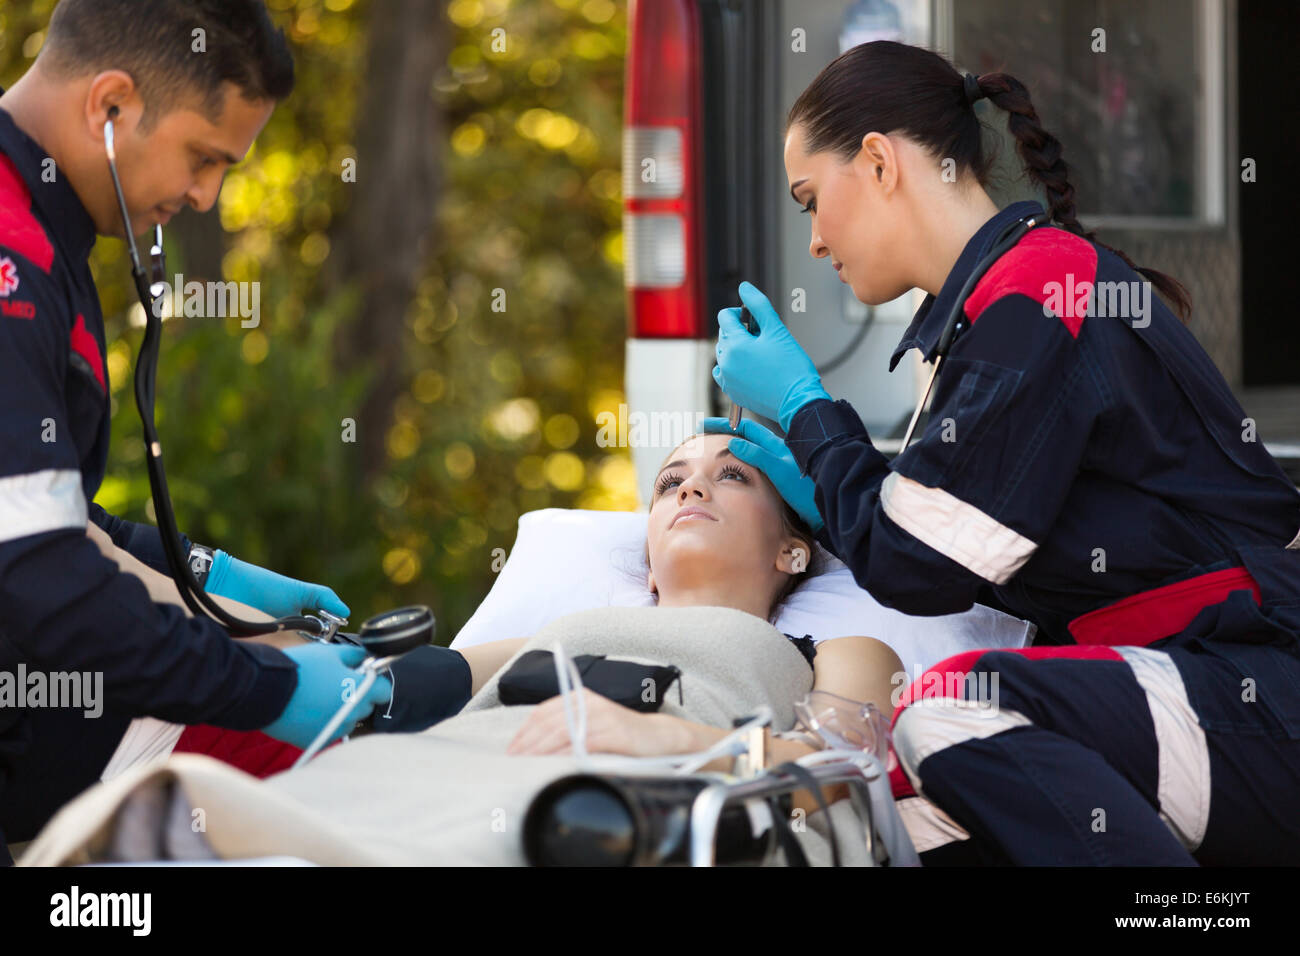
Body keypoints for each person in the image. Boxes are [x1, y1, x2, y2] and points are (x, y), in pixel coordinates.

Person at [708, 40, 1300, 865]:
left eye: (810, 199)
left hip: (1259, 686)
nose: (811, 240)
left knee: (951, 710)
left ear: (878, 161)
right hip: (1202, 694)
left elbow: (919, 562)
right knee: (913, 803)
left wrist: (810, 413)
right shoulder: (996, 310)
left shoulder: (1037, 293)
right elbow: (941, 531)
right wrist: (825, 494)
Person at [19, 433, 906, 865]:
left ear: (794, 551)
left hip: (612, 798)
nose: (689, 488)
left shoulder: (837, 647)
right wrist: (258, 628)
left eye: (730, 475)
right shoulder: (557, 634)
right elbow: (384, 687)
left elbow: (839, 769)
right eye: (671, 479)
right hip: (446, 769)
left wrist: (683, 745)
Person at [0, 0, 392, 860]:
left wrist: (203, 570)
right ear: (110, 107)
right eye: (203, 159)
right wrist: (267, 688)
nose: (207, 195)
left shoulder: (38, 234)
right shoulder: (11, 268)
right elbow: (44, 581)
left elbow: (36, 514)